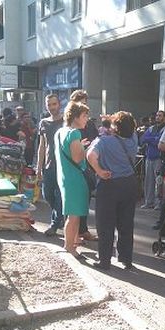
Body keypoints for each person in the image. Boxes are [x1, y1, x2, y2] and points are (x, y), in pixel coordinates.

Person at [87, 111, 138, 270]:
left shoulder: (103, 141)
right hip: (129, 184)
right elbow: (129, 127)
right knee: (126, 223)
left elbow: (90, 155)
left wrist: (100, 171)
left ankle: (104, 260)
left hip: (109, 184)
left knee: (105, 224)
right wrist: (113, 122)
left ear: (115, 127)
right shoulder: (133, 139)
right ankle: (126, 258)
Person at [54, 101, 91, 259]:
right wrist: (89, 149)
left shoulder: (61, 131)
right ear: (75, 117)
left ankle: (70, 244)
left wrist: (80, 146)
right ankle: (70, 247)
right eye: (84, 116)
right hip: (74, 178)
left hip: (65, 176)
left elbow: (69, 152)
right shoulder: (74, 133)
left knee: (71, 213)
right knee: (74, 215)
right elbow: (77, 158)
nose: (86, 119)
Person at [69, 89, 98, 242]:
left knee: (83, 200)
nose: (83, 107)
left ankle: (81, 230)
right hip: (73, 167)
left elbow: (96, 141)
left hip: (86, 166)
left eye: (85, 104)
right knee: (73, 203)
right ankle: (72, 236)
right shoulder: (68, 128)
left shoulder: (89, 123)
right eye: (80, 103)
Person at [37, 94, 64, 237]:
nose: (52, 107)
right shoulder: (43, 123)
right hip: (48, 165)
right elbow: (42, 146)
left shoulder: (66, 121)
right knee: (46, 194)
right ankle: (60, 215)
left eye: (54, 104)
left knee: (60, 195)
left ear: (59, 104)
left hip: (63, 165)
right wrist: (38, 168)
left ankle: (54, 224)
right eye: (49, 105)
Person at [140, 110, 165, 209]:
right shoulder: (151, 128)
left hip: (159, 158)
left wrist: (150, 139)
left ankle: (158, 202)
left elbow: (159, 142)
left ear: (164, 117)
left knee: (158, 181)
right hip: (149, 157)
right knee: (148, 181)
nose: (158, 117)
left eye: (160, 115)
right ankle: (148, 202)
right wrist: (153, 139)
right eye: (157, 115)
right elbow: (142, 139)